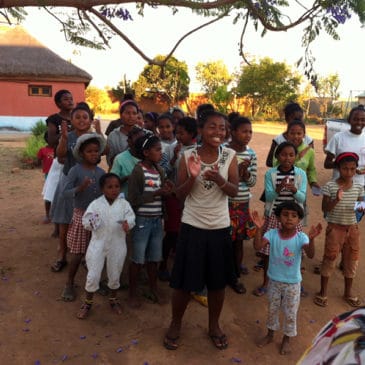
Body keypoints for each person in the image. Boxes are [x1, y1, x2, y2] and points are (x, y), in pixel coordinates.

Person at [164, 110, 238, 351]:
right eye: (212, 127)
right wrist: (192, 177)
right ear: (201, 130)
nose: (218, 132)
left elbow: (234, 191)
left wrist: (220, 181)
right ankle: (176, 323)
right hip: (193, 225)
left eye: (222, 128)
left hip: (219, 227)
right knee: (185, 283)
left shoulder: (230, 156)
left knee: (217, 283)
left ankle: (214, 325)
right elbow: (179, 195)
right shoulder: (187, 156)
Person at [251, 202, 322, 355]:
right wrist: (258, 229)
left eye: (294, 216)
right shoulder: (271, 234)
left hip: (292, 284)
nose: (289, 218)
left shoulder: (301, 237)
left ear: (299, 220)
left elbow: (310, 255)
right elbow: (257, 247)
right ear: (277, 218)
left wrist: (312, 239)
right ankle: (270, 335)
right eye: (285, 214)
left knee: (290, 313)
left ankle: (286, 339)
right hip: (274, 282)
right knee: (272, 310)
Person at [50, 103, 102, 272]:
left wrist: (100, 132)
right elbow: (60, 156)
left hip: (88, 182)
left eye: (84, 117)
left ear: (90, 120)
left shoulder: (93, 138)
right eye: (77, 117)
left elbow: (105, 151)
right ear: (71, 120)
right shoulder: (68, 136)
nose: (81, 120)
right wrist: (64, 138)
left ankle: (85, 256)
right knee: (65, 220)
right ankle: (62, 255)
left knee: (87, 219)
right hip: (69, 181)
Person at [77, 173, 136, 319]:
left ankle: (113, 300)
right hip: (98, 244)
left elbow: (131, 218)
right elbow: (86, 221)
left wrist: (128, 224)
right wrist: (91, 222)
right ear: (102, 189)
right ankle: (88, 302)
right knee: (93, 274)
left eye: (116, 186)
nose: (114, 190)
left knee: (115, 273)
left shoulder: (124, 204)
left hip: (117, 244)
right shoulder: (96, 204)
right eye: (109, 187)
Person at [253, 141, 307, 297]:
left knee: (295, 250)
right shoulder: (271, 173)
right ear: (277, 156)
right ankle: (266, 282)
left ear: (296, 157)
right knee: (269, 252)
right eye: (283, 154)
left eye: (291, 155)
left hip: (293, 218)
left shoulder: (300, 174)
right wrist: (279, 188)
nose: (287, 158)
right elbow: (268, 197)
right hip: (275, 217)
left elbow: (302, 198)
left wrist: (294, 190)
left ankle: (296, 282)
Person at [127, 134, 174, 308]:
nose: (161, 153)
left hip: (156, 221)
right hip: (142, 221)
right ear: (146, 152)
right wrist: (156, 193)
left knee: (154, 258)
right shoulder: (138, 171)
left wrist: (167, 191)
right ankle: (133, 293)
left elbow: (164, 192)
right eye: (157, 149)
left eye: (161, 149)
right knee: (138, 259)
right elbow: (133, 198)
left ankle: (153, 289)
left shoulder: (159, 171)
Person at [314, 152, 364, 308]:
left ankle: (348, 293)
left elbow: (361, 208)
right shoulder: (330, 186)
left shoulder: (359, 187)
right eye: (345, 169)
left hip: (352, 229)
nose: (348, 172)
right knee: (329, 258)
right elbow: (325, 209)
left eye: (352, 169)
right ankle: (323, 292)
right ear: (338, 168)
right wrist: (336, 199)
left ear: (356, 169)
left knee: (351, 260)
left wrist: (360, 208)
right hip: (335, 228)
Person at [60, 133, 106, 301]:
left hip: (96, 216)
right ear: (81, 153)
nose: (94, 154)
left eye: (96, 151)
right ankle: (69, 283)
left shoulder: (101, 172)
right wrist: (80, 188)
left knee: (96, 252)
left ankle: (95, 281)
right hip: (81, 215)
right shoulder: (75, 170)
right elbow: (65, 193)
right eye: (89, 151)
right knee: (78, 254)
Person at [158, 116, 198, 281]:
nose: (178, 136)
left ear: (192, 134)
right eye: (177, 132)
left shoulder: (199, 150)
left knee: (188, 232)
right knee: (172, 232)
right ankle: (163, 265)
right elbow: (166, 171)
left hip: (192, 197)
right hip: (174, 196)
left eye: (181, 133)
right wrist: (174, 157)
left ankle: (182, 266)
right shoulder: (172, 148)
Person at [227, 115, 257, 294]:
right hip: (225, 203)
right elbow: (220, 178)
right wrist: (236, 173)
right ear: (233, 132)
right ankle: (222, 273)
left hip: (242, 203)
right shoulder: (223, 151)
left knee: (238, 242)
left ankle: (235, 275)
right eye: (244, 131)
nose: (248, 135)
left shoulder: (251, 154)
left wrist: (245, 174)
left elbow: (252, 182)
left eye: (250, 132)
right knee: (224, 241)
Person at [266, 102, 314, 167]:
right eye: (294, 119)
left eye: (300, 118)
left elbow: (311, 165)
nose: (298, 121)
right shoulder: (278, 140)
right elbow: (269, 162)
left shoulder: (308, 141)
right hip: (282, 176)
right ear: (286, 119)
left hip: (302, 177)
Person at [111, 125, 148, 199]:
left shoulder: (148, 157)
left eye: (143, 140)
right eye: (138, 140)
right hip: (126, 203)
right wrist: (128, 178)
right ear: (129, 141)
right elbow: (112, 182)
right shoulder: (120, 159)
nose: (141, 142)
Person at [106, 99, 139, 167]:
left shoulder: (145, 134)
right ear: (121, 115)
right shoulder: (113, 136)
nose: (131, 116)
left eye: (134, 113)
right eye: (127, 113)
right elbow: (110, 160)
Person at [37, 132, 56, 223]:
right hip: (48, 174)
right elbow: (38, 160)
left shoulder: (59, 149)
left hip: (58, 174)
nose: (52, 139)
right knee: (49, 194)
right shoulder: (43, 150)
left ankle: (55, 214)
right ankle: (47, 215)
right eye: (49, 137)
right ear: (46, 139)